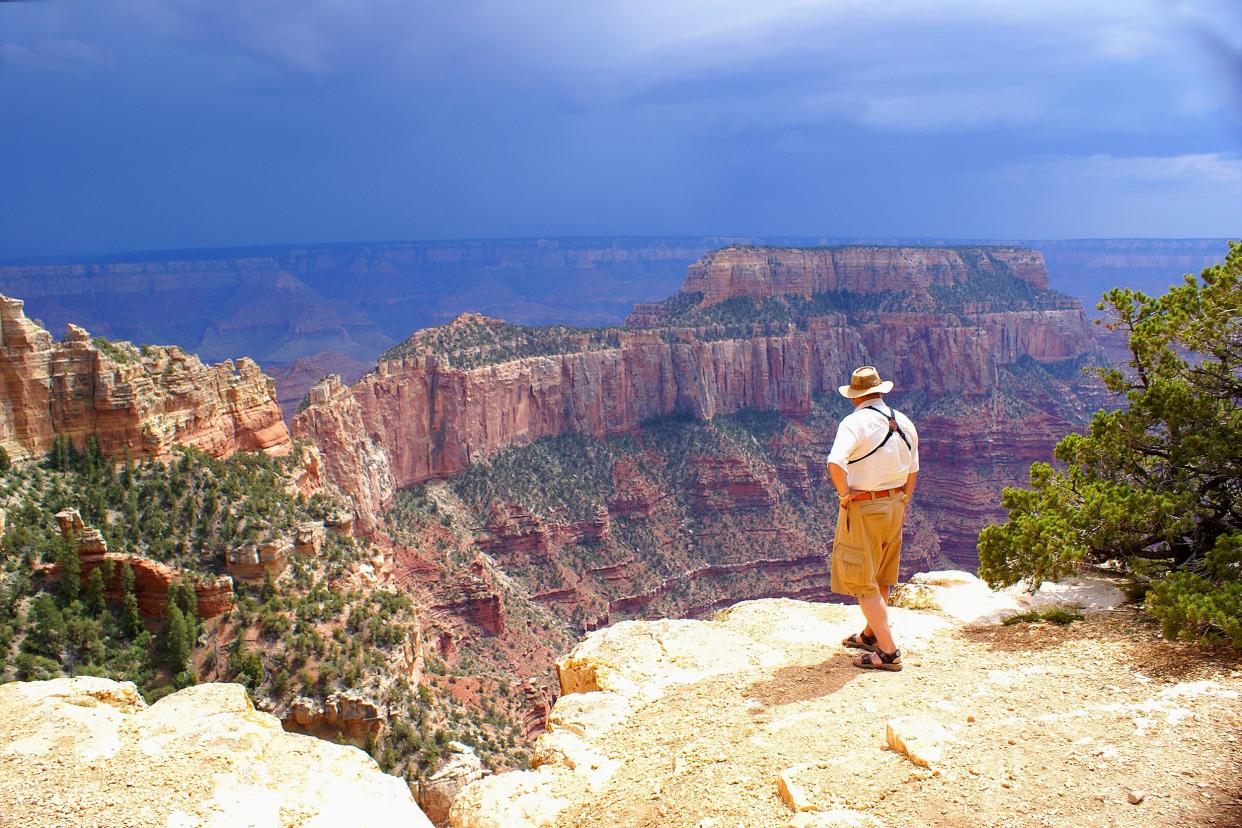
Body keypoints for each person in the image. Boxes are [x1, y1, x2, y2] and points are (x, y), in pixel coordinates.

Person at [826, 366, 919, 671]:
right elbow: (913, 470)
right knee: (880, 576)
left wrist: (844, 496)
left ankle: (889, 652)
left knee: (863, 582)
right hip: (894, 504)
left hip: (864, 507)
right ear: (880, 391)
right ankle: (870, 635)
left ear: (855, 396)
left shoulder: (854, 423)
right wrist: (903, 502)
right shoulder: (903, 421)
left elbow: (835, 463)